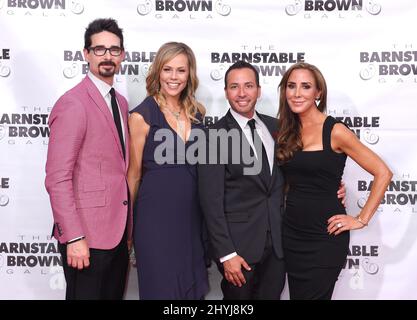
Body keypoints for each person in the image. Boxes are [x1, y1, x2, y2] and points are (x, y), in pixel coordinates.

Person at [277, 62, 392, 300]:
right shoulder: (285, 131)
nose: (297, 93)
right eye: (291, 86)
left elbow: (383, 172)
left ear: (318, 93)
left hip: (325, 237)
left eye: (305, 86)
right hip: (292, 234)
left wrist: (361, 219)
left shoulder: (335, 130)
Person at [45, 18, 131, 300]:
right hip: (85, 237)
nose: (107, 56)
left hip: (116, 234)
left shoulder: (120, 102)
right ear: (86, 54)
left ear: (122, 55)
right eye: (99, 49)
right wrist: (73, 236)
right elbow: (58, 177)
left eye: (114, 50)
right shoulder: (73, 103)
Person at [127, 42, 209, 300]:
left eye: (181, 70)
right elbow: (133, 174)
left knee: (191, 292)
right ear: (158, 73)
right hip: (155, 222)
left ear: (189, 75)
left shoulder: (197, 114)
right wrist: (128, 230)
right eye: (167, 69)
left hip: (192, 221)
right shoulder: (142, 115)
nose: (174, 77)